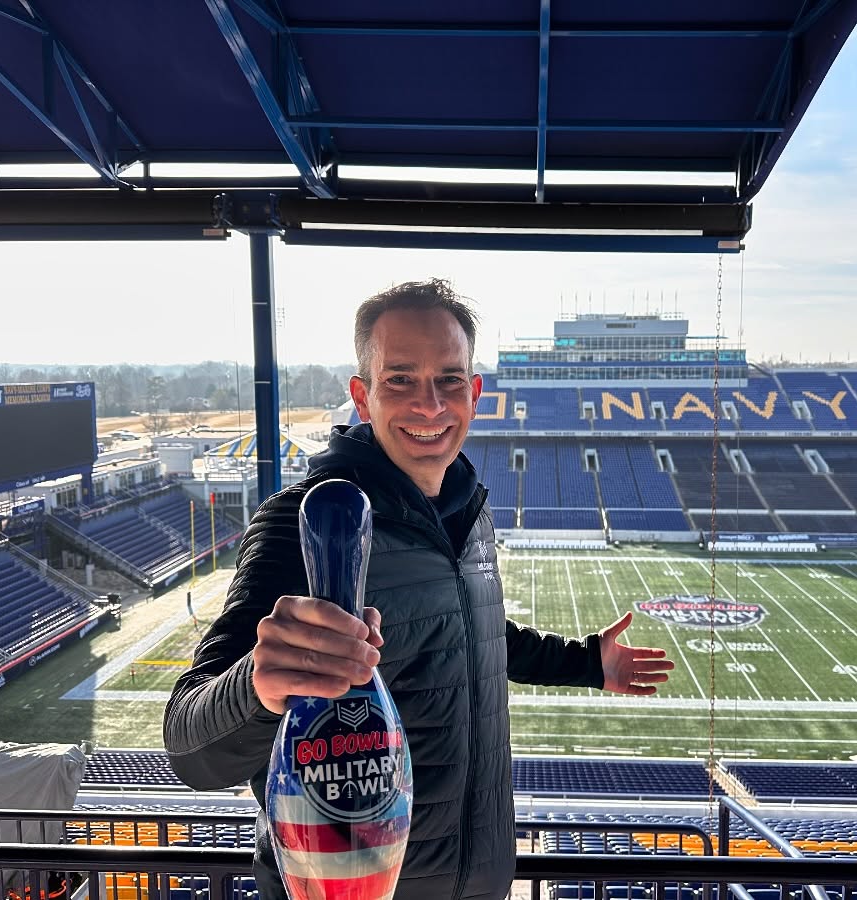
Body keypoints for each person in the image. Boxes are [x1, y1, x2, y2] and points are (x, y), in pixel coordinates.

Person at [163, 279, 674, 900]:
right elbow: (189, 749)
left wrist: (586, 663)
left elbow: (473, 635)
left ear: (475, 393)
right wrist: (257, 686)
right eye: (400, 379)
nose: (430, 405)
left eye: (449, 379)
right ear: (362, 396)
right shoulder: (304, 523)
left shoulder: (467, 513)